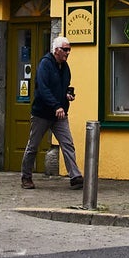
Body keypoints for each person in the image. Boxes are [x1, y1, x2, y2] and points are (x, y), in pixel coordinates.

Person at [19, 37, 82, 190]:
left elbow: (64, 85)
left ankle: (75, 177)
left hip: (60, 114)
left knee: (67, 144)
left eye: (69, 49)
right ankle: (26, 177)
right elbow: (42, 89)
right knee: (33, 146)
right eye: (65, 49)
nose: (68, 53)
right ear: (56, 50)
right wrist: (56, 106)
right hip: (42, 113)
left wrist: (68, 94)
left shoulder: (65, 67)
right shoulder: (45, 64)